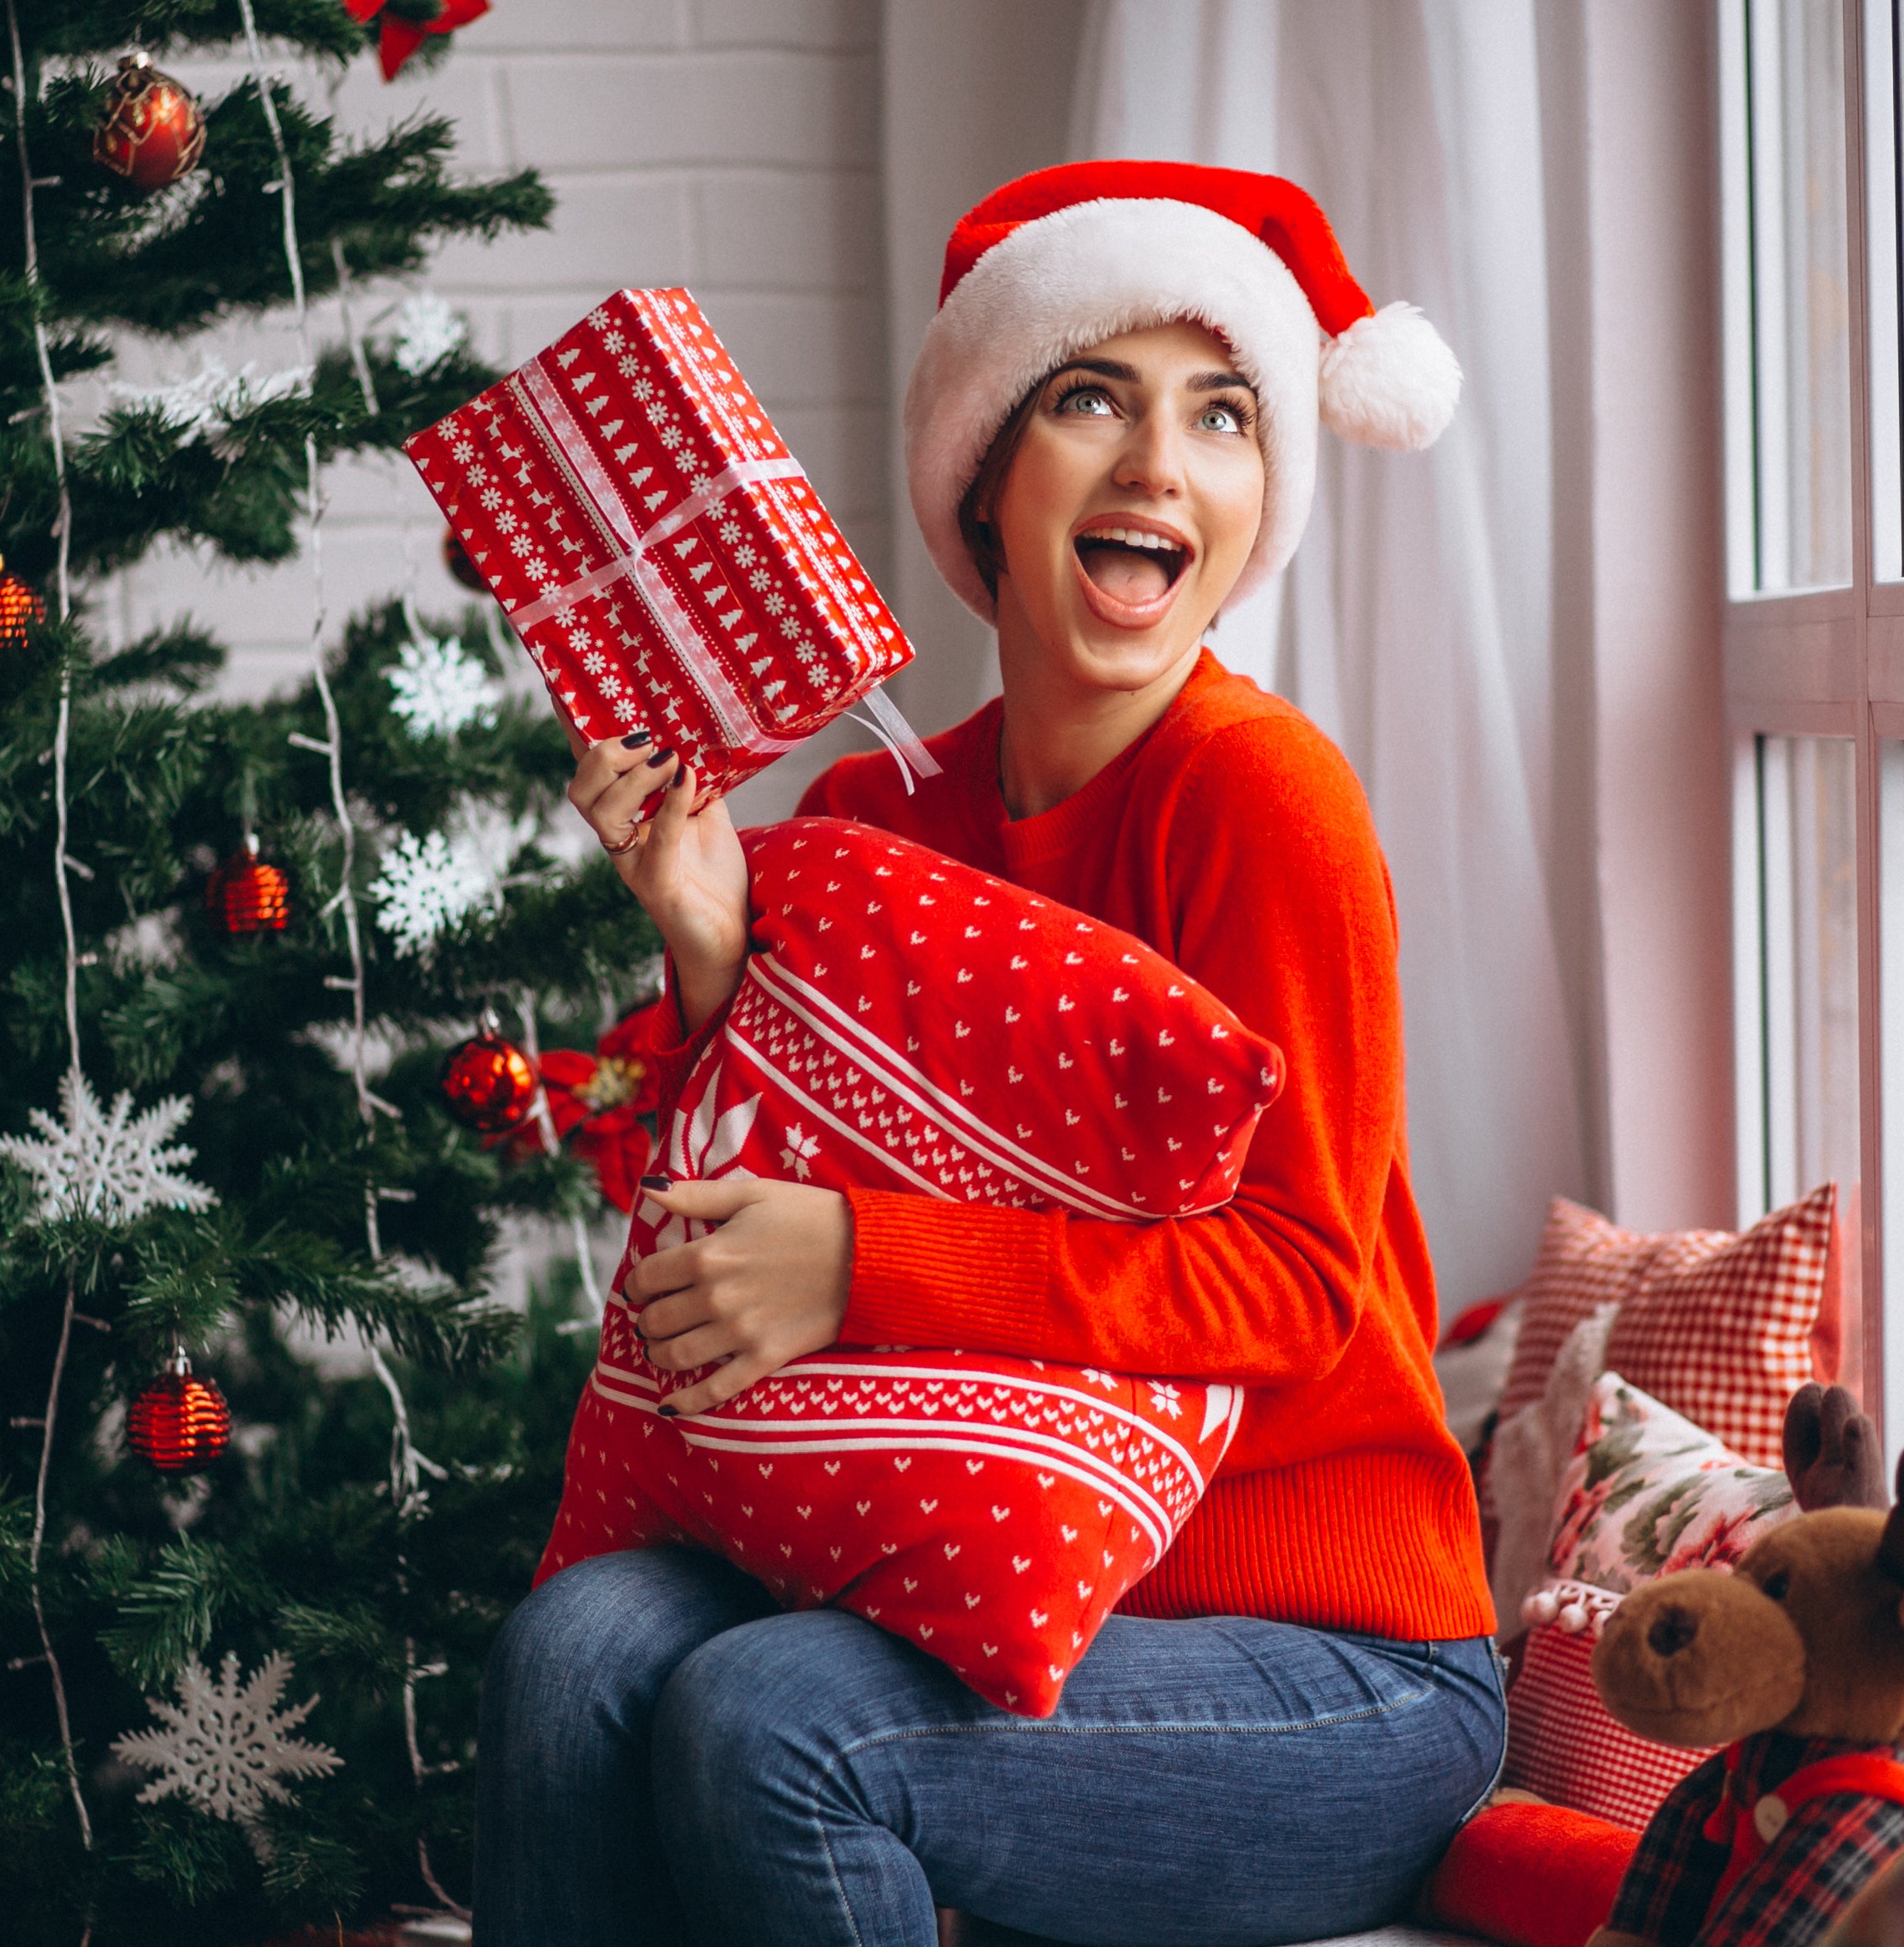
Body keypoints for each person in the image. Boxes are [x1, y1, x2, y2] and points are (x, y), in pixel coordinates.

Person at [478, 162, 1499, 1947]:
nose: (1156, 467)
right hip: (964, 1566)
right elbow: (698, 1263)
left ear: (1259, 502)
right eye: (1090, 397)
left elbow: (1297, 1287)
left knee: (771, 1726)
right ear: (983, 477)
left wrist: (870, 1264)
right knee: (571, 1656)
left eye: (1224, 416)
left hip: (1332, 1664)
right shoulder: (877, 812)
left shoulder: (1264, 801)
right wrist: (709, 948)